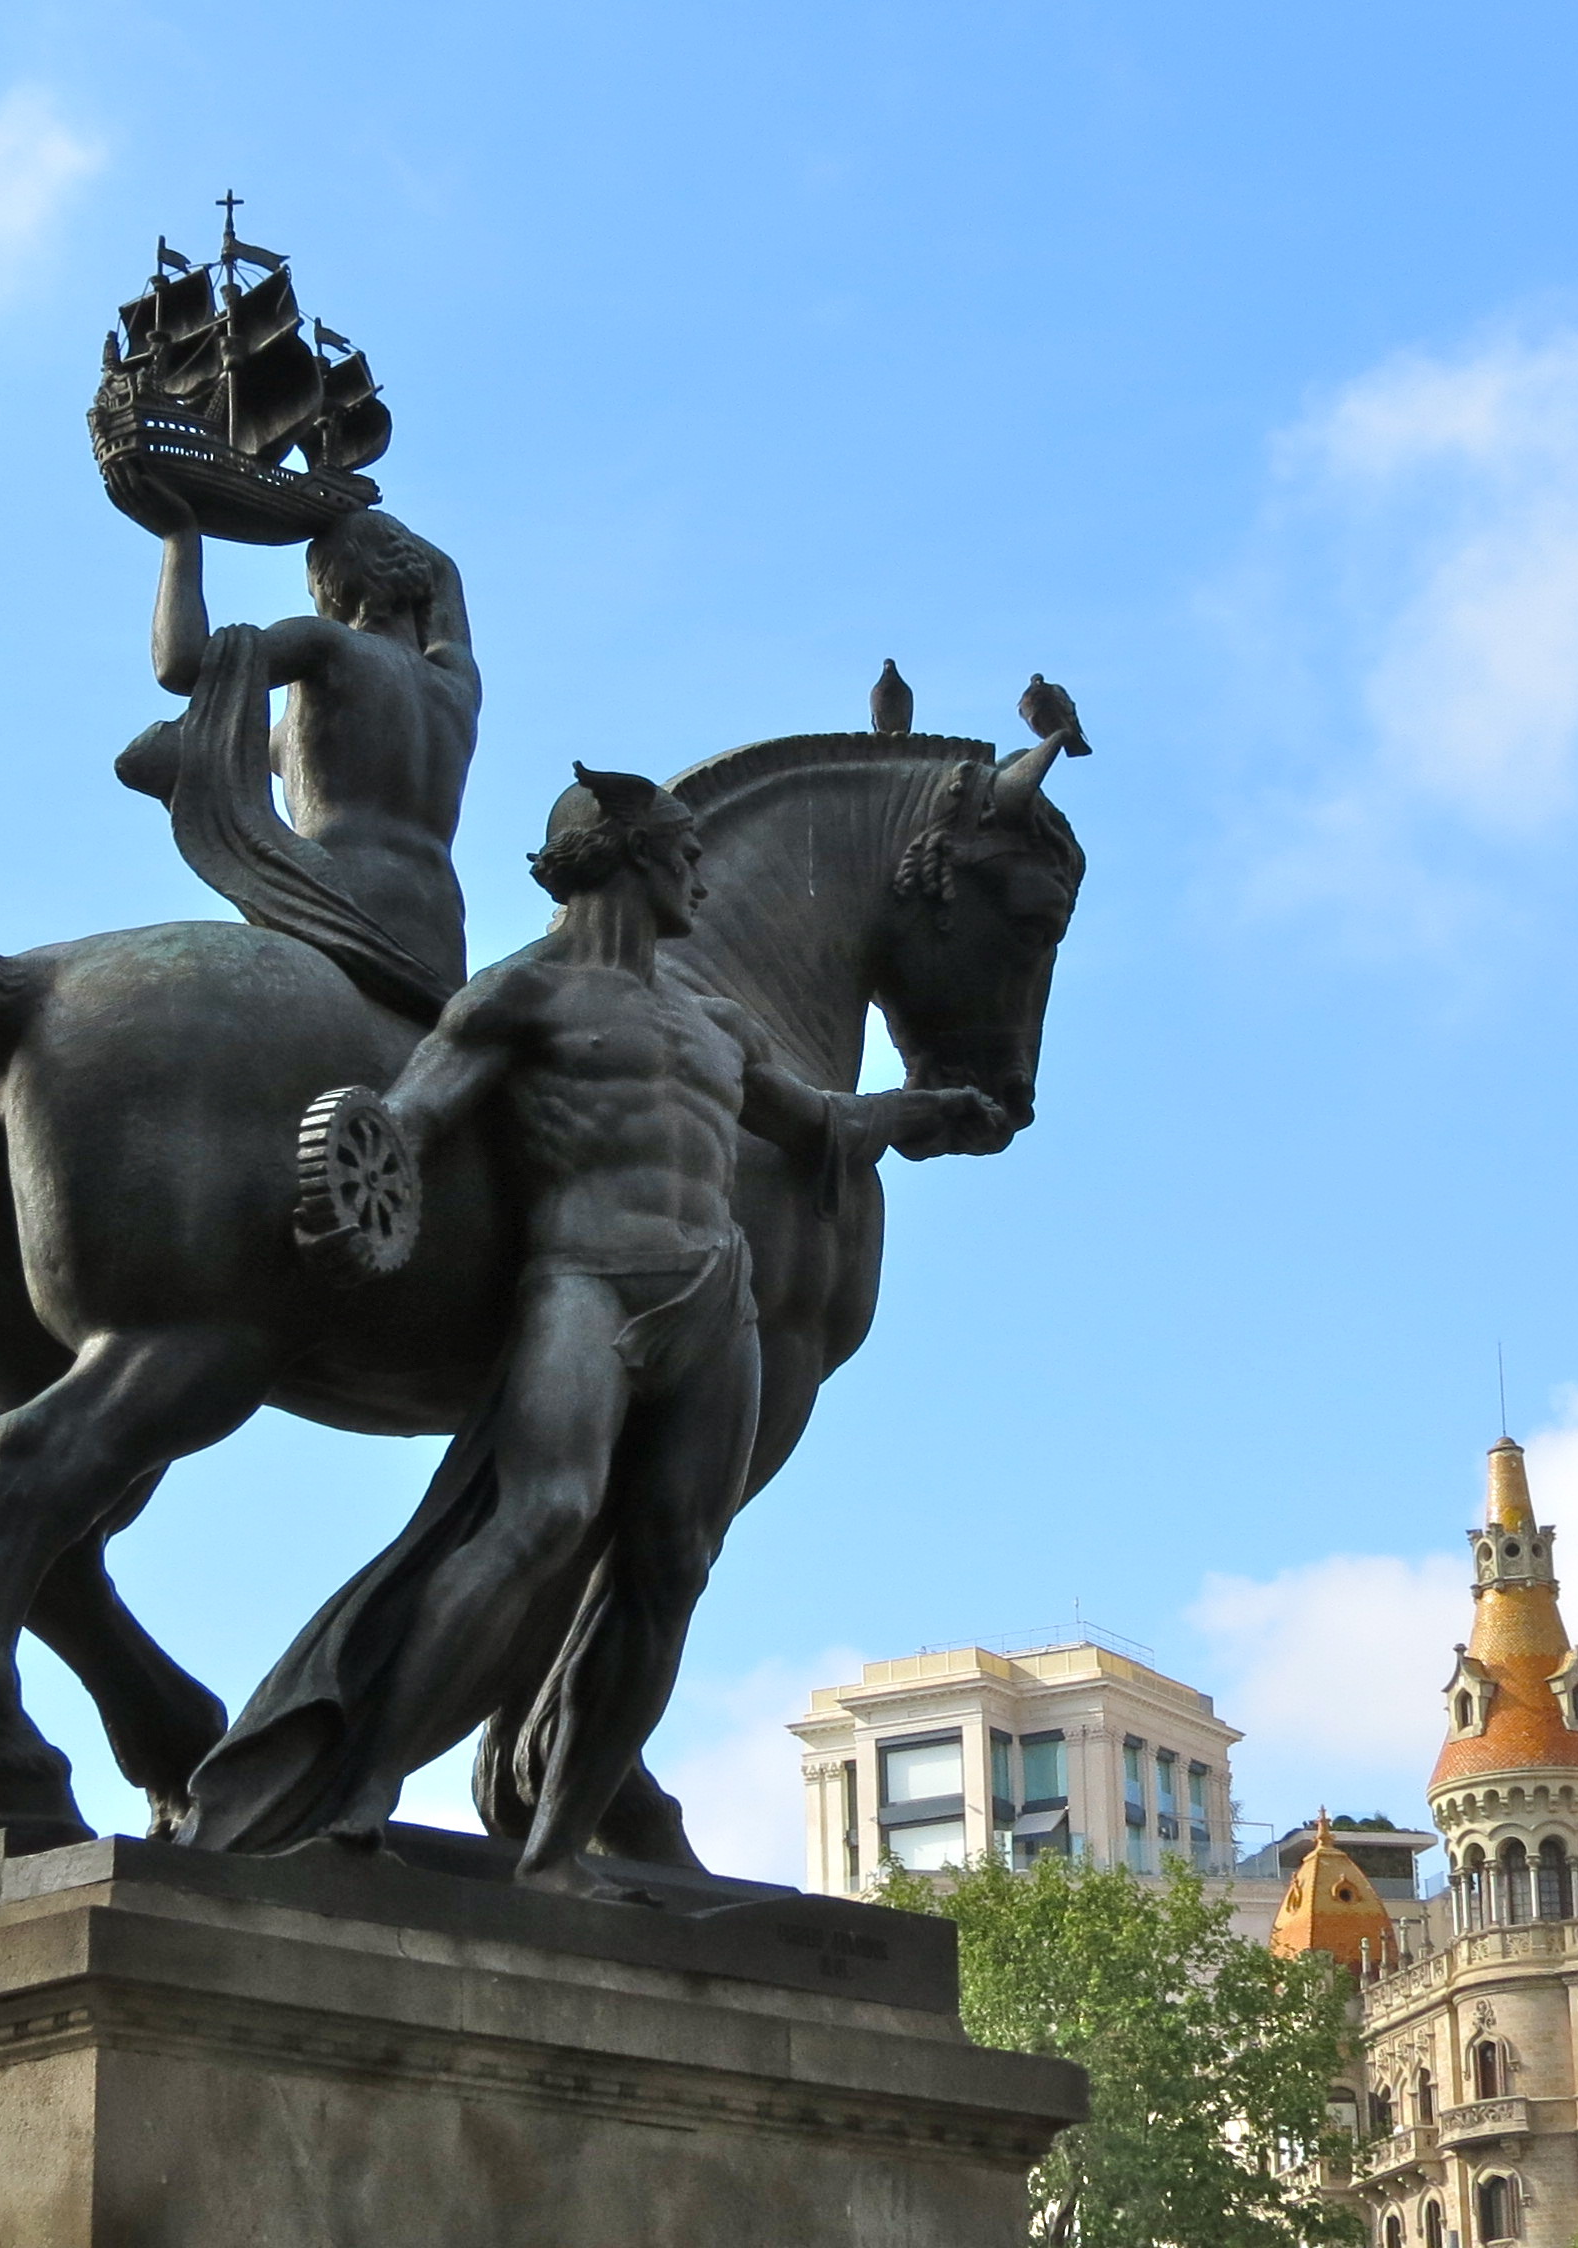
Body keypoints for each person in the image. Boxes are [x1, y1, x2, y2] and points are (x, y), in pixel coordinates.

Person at [180, 767, 1005, 1894]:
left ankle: (557, 1848)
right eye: (682, 851)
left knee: (670, 1567)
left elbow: (819, 1121)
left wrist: (922, 1115)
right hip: (584, 1286)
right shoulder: (520, 997)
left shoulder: (716, 1023)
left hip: (717, 1302)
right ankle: (357, 1787)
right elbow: (414, 1119)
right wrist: (346, 1188)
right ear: (627, 855)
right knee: (542, 1515)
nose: (701, 873)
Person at [111, 476, 482, 994]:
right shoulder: (457, 682)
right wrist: (344, 503)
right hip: (439, 917)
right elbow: (446, 576)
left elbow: (182, 666)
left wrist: (180, 534)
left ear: (330, 586)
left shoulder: (327, 648)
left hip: (335, 890)